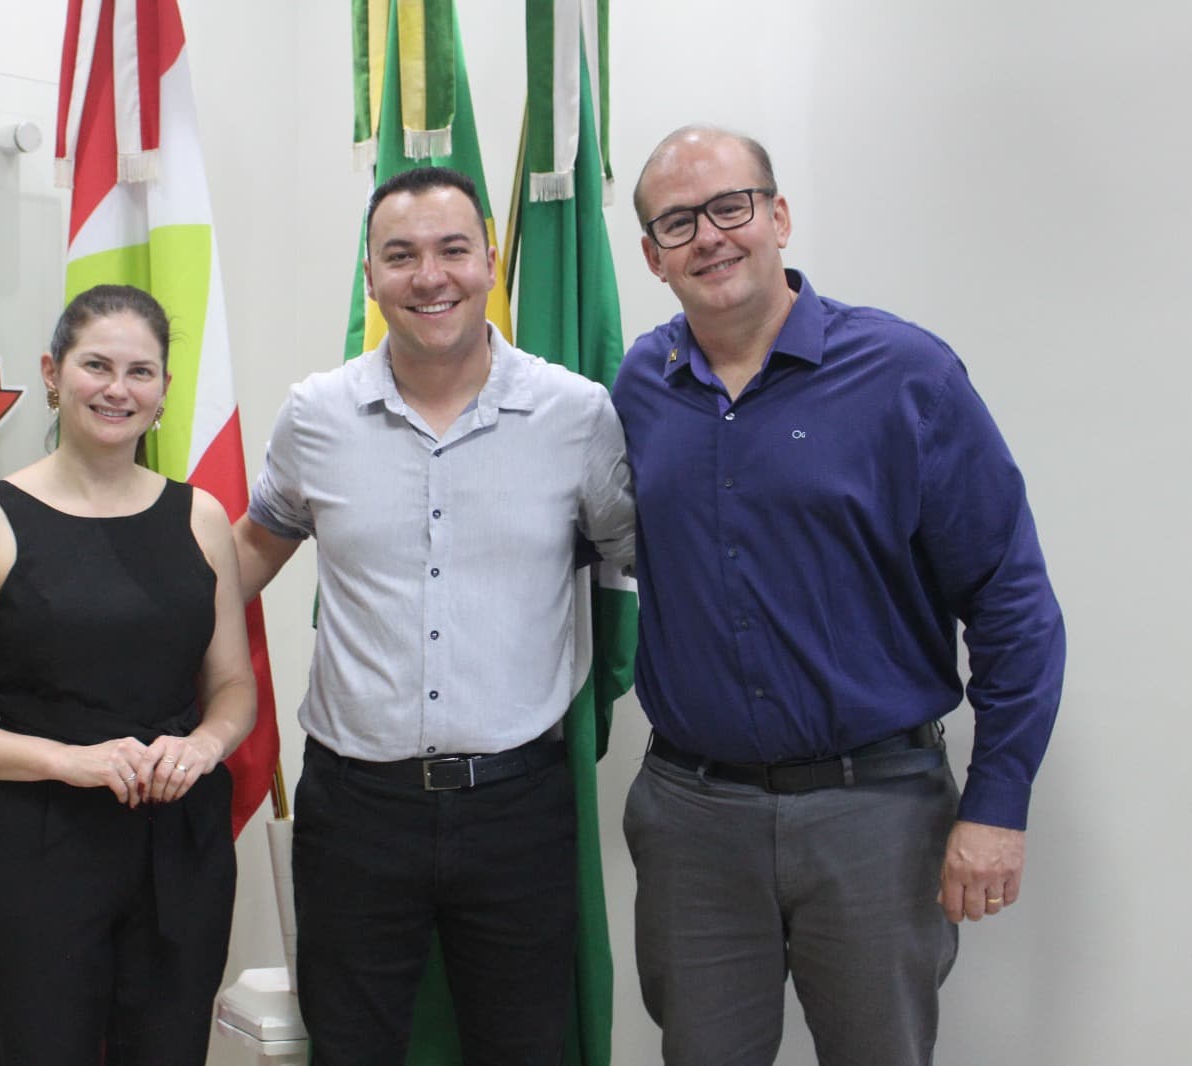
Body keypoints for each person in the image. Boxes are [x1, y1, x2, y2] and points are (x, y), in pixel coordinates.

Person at [612, 127, 1065, 1066]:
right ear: (653, 258)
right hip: (694, 820)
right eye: (678, 222)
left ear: (778, 215)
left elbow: (1012, 602)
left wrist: (997, 804)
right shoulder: (637, 389)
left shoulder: (907, 376)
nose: (710, 236)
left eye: (731, 206)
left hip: (876, 816)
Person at [233, 166, 633, 1065]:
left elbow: (638, 557)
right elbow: (249, 553)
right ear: (369, 276)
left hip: (518, 807)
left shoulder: (576, 415)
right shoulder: (317, 415)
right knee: (351, 1048)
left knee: (526, 1046)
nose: (430, 276)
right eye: (401, 255)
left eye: (453, 249)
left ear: (489, 259)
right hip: (356, 809)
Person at [0, 284, 256, 1066]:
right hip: (38, 847)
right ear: (54, 373)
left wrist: (204, 745)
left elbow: (233, 686)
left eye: (141, 371)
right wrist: (71, 763)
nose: (117, 388)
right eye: (96, 365)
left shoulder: (199, 517)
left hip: (181, 843)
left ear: (164, 389)